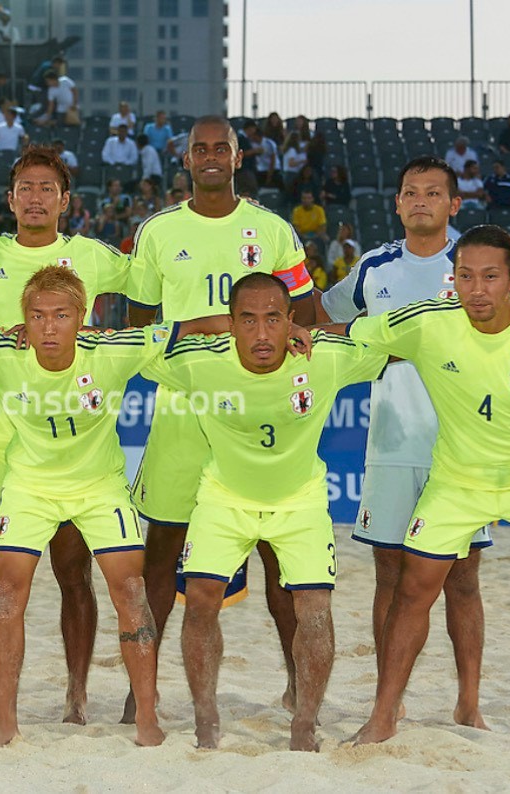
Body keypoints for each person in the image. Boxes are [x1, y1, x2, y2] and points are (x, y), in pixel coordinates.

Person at [341, 224, 510, 758]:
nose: (477, 289)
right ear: (453, 278)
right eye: (465, 276)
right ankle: (382, 718)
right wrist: (294, 330)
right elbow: (353, 333)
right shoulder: (428, 321)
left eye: (490, 277)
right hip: (458, 481)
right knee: (413, 590)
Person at [0, 265, 184, 748]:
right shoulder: (1, 352)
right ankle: (6, 721)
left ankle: (146, 717)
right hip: (28, 486)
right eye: (37, 316)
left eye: (61, 315)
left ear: (82, 317)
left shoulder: (112, 350)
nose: (49, 326)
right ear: (23, 319)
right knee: (7, 593)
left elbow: (186, 327)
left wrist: (283, 325)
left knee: (131, 592)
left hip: (99, 487)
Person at [124, 115, 316, 723]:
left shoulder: (273, 230)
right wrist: (191, 342)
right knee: (161, 553)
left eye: (221, 148)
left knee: (279, 558)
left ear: (238, 158)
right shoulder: (158, 231)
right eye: (199, 149)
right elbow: (139, 327)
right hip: (184, 412)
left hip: (260, 412)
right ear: (185, 159)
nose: (210, 156)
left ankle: (297, 686)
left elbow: (306, 316)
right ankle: (141, 692)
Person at [147, 272, 387, 751]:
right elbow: (133, 344)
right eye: (248, 320)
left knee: (315, 611)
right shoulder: (199, 362)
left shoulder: (324, 358)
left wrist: (323, 331)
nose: (261, 333)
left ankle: (304, 722)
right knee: (200, 600)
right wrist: (208, 323)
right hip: (224, 498)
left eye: (273, 319)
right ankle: (205, 718)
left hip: (299, 501)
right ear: (231, 323)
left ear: (291, 320)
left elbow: (391, 338)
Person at [0, 145, 134, 728]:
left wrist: (110, 337)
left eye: (46, 188)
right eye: (25, 187)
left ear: (65, 200)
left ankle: (77, 696)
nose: (35, 197)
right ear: (9, 199)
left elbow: (152, 281)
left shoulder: (92, 256)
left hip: (72, 451)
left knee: (74, 576)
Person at [319, 155, 490, 730]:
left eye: (433, 192)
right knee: (389, 575)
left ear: (454, 204)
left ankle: (469, 702)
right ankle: (387, 702)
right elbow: (326, 317)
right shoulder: (374, 267)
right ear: (397, 203)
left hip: (460, 445)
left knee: (462, 579)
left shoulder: (474, 264)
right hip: (391, 441)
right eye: (411, 192)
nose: (421, 200)